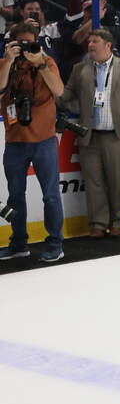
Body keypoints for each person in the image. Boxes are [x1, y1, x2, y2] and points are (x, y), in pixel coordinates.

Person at [58, 28, 120, 237]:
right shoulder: (80, 69)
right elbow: (65, 96)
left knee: (117, 183)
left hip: (118, 136)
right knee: (94, 184)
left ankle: (117, 220)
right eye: (89, 42)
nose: (90, 45)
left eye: (95, 41)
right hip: (89, 136)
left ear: (108, 45)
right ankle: (97, 225)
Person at [0, 22, 65, 261]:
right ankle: (18, 244)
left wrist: (40, 63)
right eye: (21, 44)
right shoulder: (6, 64)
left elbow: (59, 90)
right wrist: (8, 61)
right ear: (12, 43)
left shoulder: (47, 63)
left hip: (43, 140)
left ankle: (55, 243)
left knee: (51, 195)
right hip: (15, 141)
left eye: (30, 43)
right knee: (15, 196)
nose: (26, 48)